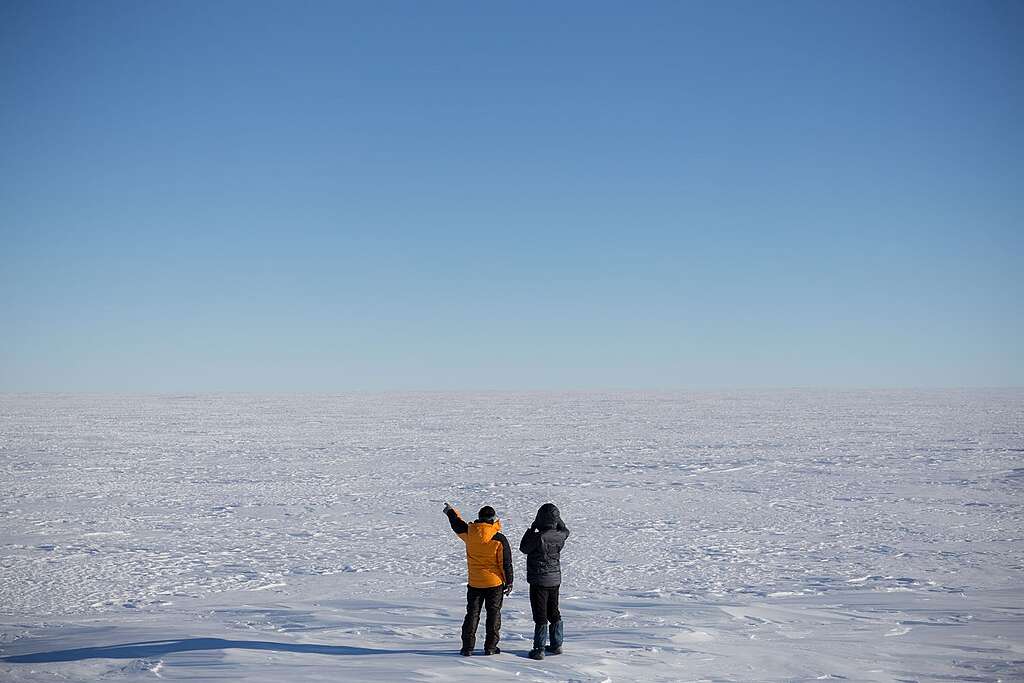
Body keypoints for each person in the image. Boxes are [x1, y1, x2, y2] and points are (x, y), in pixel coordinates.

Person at [443, 503, 514, 656]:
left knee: (472, 614)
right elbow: (505, 563)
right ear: (494, 519)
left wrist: (450, 511)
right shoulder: (499, 538)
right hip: (494, 584)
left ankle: (467, 647)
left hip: (474, 583)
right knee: (493, 614)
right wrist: (509, 582)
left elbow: (456, 523)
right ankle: (490, 647)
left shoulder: (470, 533)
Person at [519, 502, 570, 660]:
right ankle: (557, 644)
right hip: (555, 579)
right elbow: (566, 530)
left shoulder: (538, 537)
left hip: (539, 581)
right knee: (553, 611)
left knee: (540, 613)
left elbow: (523, 548)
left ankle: (539, 648)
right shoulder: (560, 535)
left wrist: (532, 528)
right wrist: (558, 520)